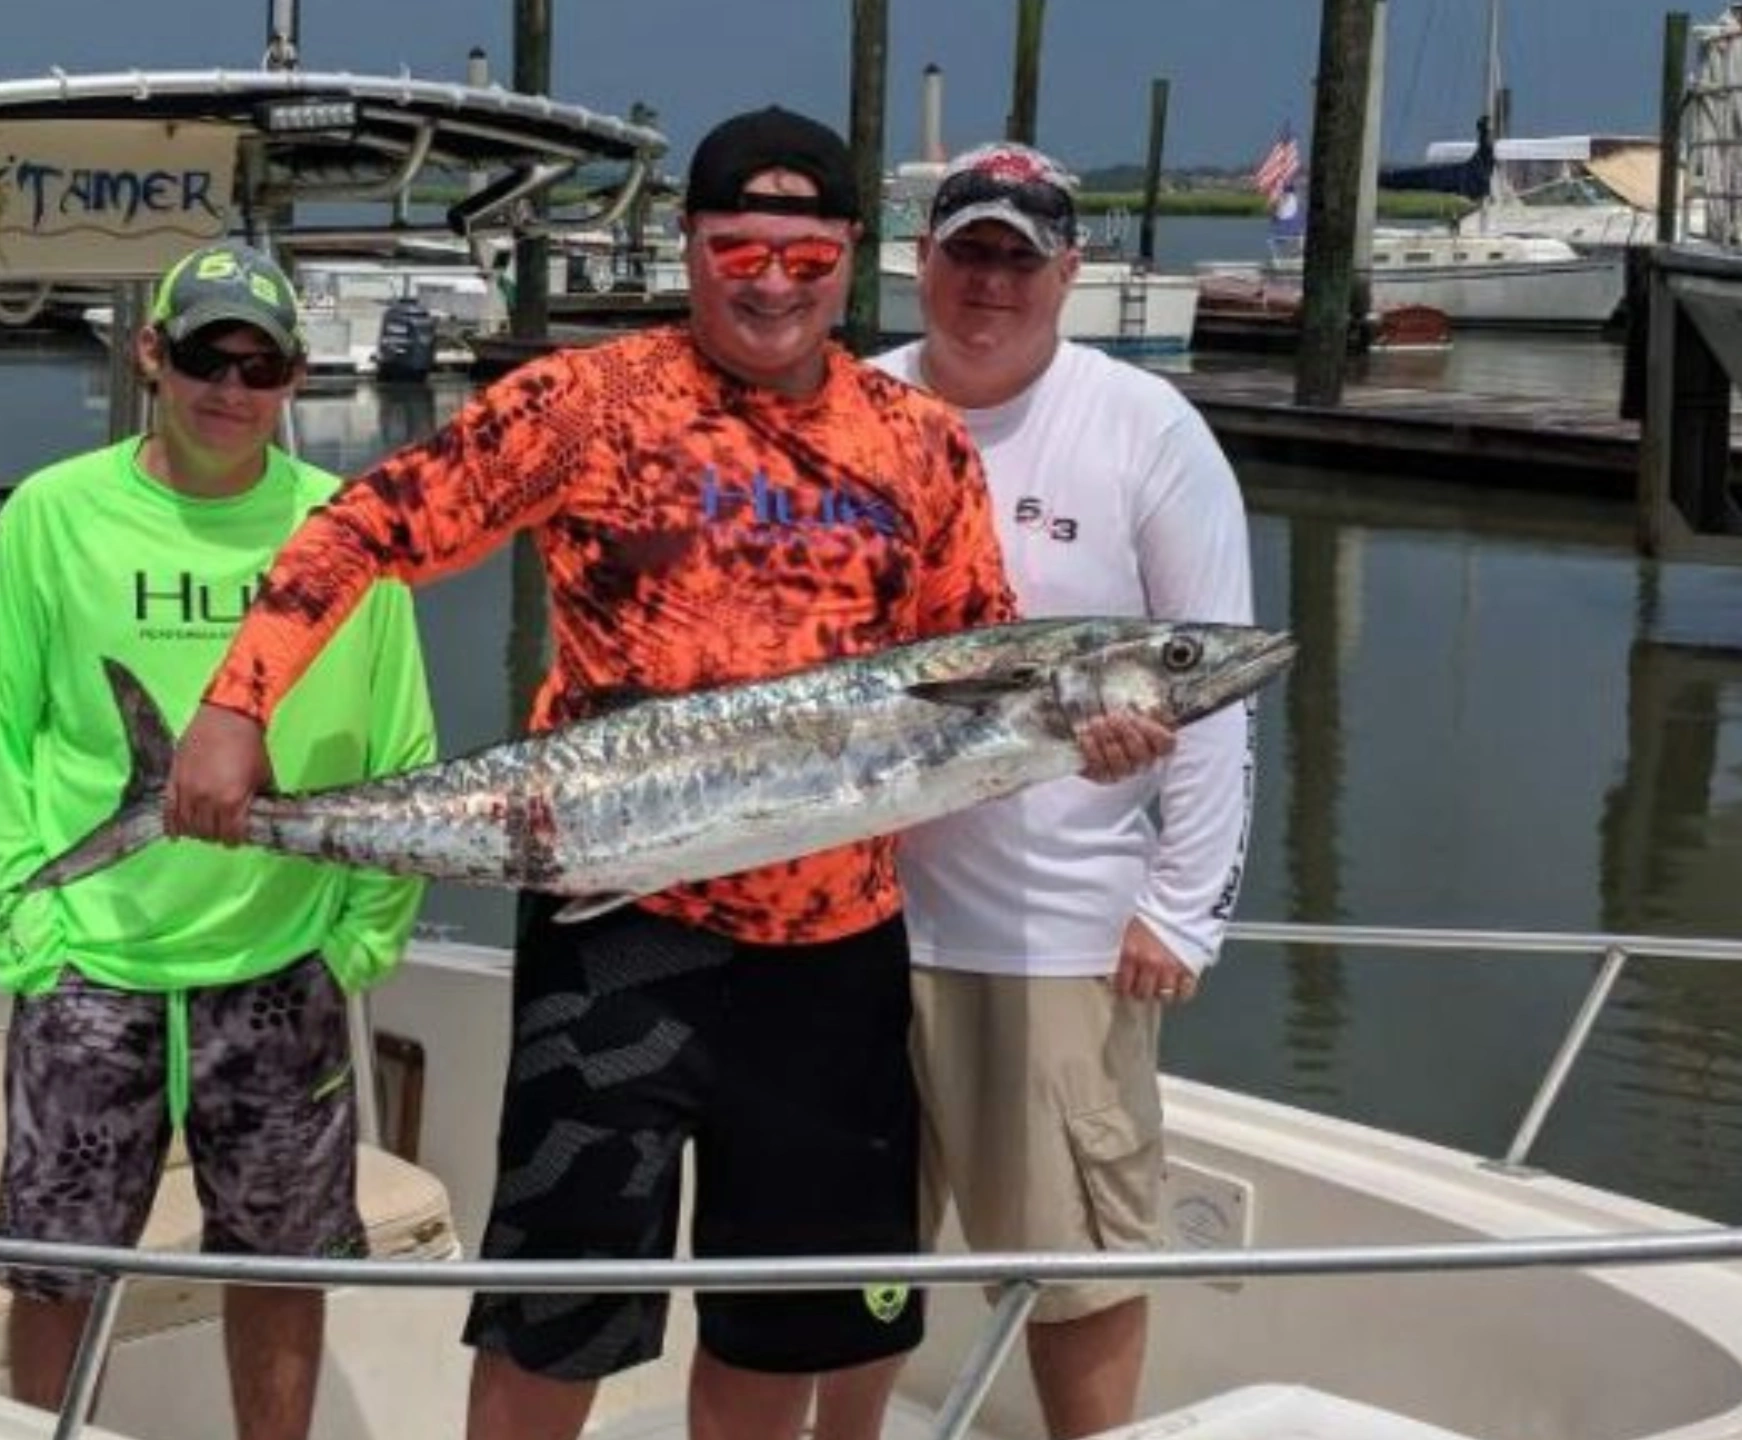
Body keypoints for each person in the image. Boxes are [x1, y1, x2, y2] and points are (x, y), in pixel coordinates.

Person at [159, 108, 1174, 1440]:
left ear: (848, 258)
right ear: (689, 247)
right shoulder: (587, 404)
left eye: (804, 256)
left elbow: (967, 670)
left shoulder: (916, 443)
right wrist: (237, 707)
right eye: (737, 246)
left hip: (834, 959)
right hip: (621, 923)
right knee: (559, 1313)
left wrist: (1091, 749)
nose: (769, 279)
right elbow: (363, 526)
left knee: (783, 1322)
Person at [0, 240, 436, 1440]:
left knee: (279, 1267)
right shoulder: (50, 516)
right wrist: (25, 930)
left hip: (280, 967)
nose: (230, 387)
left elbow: (402, 746)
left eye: (259, 364)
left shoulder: (345, 533)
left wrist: (360, 944)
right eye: (206, 355)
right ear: (150, 355)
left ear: (293, 378)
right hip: (91, 968)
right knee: (57, 1271)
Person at [823, 142, 1259, 1439]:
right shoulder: (852, 408)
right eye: (968, 251)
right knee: (849, 1262)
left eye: (1021, 257)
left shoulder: (1144, 430)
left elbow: (1213, 680)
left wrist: (1184, 908)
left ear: (1070, 273)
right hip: (850, 920)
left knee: (1075, 1272)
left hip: (1055, 937)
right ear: (922, 261)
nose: (990, 282)